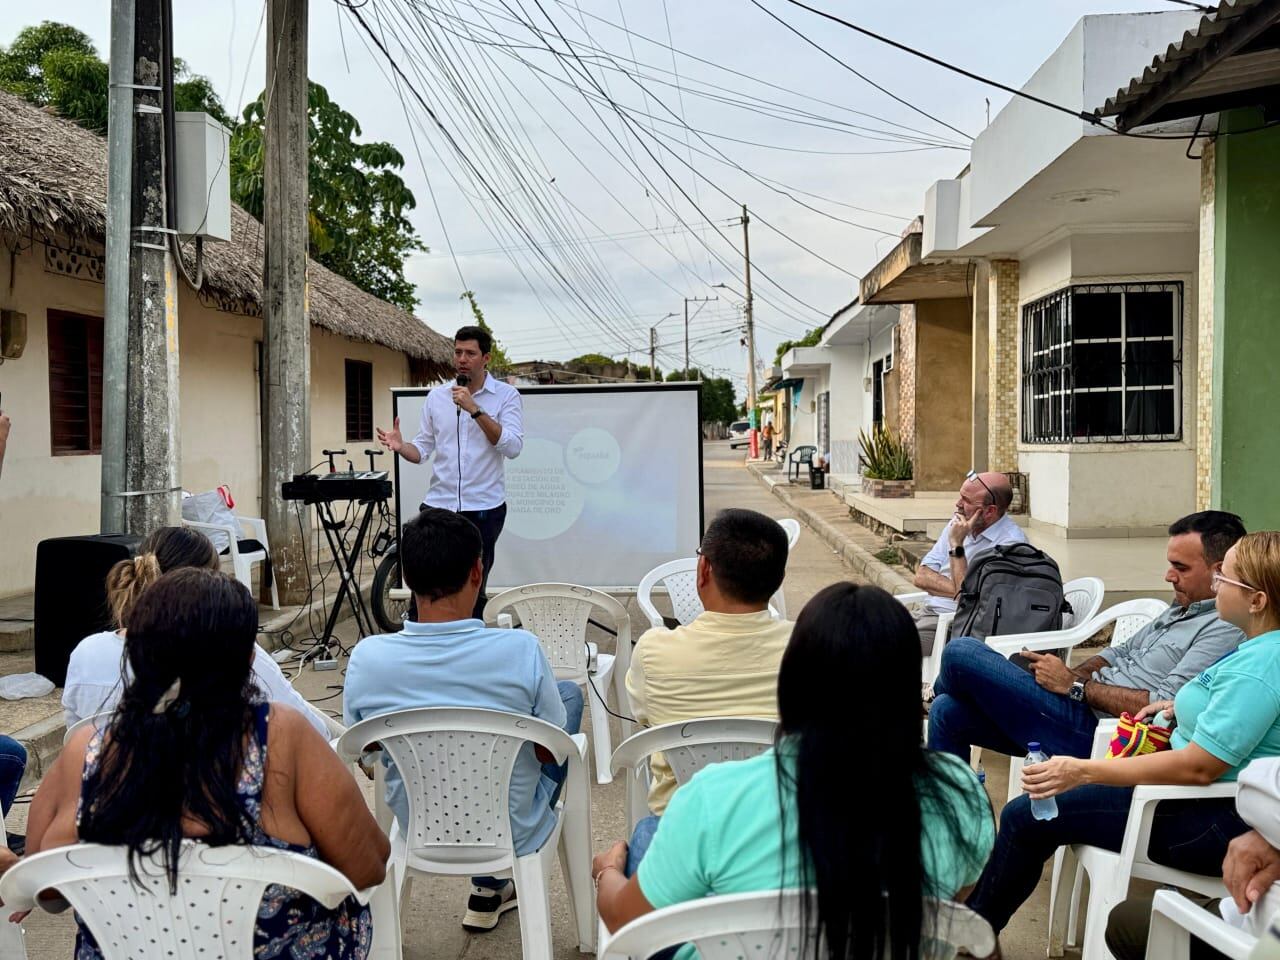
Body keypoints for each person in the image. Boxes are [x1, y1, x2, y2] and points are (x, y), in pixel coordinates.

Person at [594, 583, 995, 958]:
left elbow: (623, 919)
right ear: (907, 687)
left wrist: (607, 872)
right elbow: (953, 901)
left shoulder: (713, 798)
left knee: (649, 835)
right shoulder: (958, 791)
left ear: (792, 681)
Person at [9, 568, 388, 957]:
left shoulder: (89, 749)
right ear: (247, 657)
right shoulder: (281, 735)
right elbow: (368, 867)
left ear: (137, 653)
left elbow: (48, 889)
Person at [966, 531, 1280, 937]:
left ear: (1257, 601)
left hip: (1199, 818)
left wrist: (1082, 771)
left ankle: (972, 934)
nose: (1216, 584)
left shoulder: (1258, 668)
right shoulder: (1261, 650)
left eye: (1226, 577)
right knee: (956, 713)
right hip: (1188, 799)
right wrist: (1177, 707)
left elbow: (1200, 767)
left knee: (1026, 816)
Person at [344, 506, 583, 933]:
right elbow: (551, 750)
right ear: (478, 571)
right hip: (513, 830)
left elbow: (364, 756)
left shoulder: (367, 660)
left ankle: (488, 888)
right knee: (568, 698)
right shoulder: (521, 650)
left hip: (418, 823)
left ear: (405, 578)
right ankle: (491, 881)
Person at [929, 511, 1247, 763]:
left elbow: (1162, 703)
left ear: (1219, 570)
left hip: (1103, 733)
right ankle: (953, 827)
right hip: (1073, 706)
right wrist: (1067, 679)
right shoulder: (1182, 606)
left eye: (1180, 567)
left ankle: (919, 703)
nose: (1168, 575)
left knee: (962, 652)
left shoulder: (1225, 628)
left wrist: (1076, 686)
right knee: (947, 711)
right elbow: (1118, 652)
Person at [624, 508, 793, 871]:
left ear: (703, 571)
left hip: (679, 836)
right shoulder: (811, 646)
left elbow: (643, 716)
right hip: (781, 836)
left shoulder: (655, 650)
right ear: (777, 580)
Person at [62, 526, 328, 737]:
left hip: (108, 799)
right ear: (207, 585)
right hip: (207, 799)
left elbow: (77, 736)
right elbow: (315, 731)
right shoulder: (230, 650)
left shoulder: (87, 652)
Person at [376, 325, 524, 619]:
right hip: (439, 504)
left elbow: (512, 446)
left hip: (483, 508)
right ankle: (421, 646)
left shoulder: (506, 396)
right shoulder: (437, 397)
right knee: (426, 585)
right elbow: (422, 450)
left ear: (486, 358)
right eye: (458, 352)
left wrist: (475, 409)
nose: (462, 359)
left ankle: (469, 650)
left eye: (470, 353)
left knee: (472, 590)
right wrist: (401, 445)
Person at [912, 471, 1028, 655]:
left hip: (954, 625)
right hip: (928, 611)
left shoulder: (1010, 544)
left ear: (990, 511)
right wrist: (963, 591)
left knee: (880, 648)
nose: (957, 504)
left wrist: (957, 545)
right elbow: (921, 577)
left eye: (966, 500)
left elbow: (970, 599)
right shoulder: (958, 523)